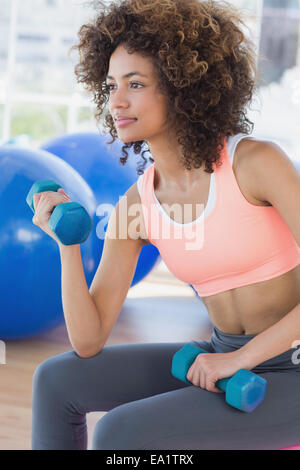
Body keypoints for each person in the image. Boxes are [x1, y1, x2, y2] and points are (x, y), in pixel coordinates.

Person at [31, 0, 300, 450]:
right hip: (222, 354)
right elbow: (88, 339)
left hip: (290, 365)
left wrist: (241, 359)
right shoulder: (136, 204)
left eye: (135, 84)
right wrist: (68, 243)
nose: (116, 101)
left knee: (120, 433)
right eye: (112, 84)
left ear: (182, 88)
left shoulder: (256, 164)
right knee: (55, 381)